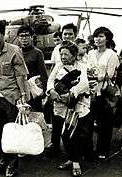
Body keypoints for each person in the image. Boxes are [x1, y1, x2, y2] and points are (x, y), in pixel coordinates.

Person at [0, 19, 29, 177]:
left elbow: (21, 76)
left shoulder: (14, 50)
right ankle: (3, 159)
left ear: (3, 34)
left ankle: (12, 164)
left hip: (13, 97)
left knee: (13, 132)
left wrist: (23, 97)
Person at [47, 41, 92, 177]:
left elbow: (84, 83)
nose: (63, 56)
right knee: (65, 135)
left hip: (77, 105)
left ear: (74, 54)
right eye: (61, 54)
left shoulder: (83, 66)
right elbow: (50, 81)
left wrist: (71, 94)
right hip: (61, 105)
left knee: (73, 134)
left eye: (66, 54)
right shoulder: (58, 66)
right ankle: (72, 159)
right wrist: (51, 91)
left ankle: (76, 162)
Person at [87, 27, 119, 159]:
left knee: (104, 122)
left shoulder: (111, 54)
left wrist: (95, 77)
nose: (97, 39)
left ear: (107, 38)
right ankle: (89, 150)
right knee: (89, 121)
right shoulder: (90, 53)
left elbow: (110, 75)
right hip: (90, 91)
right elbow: (86, 69)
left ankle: (103, 150)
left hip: (104, 91)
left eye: (100, 36)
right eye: (96, 36)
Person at [47, 23, 78, 155]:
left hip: (73, 98)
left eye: (70, 34)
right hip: (58, 98)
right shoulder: (59, 59)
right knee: (57, 121)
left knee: (72, 126)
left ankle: (73, 153)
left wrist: (71, 94)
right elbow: (51, 78)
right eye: (65, 34)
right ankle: (55, 145)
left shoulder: (81, 57)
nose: (67, 36)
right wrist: (50, 91)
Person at [17, 25, 48, 112]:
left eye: (27, 35)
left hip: (34, 89)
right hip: (20, 88)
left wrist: (45, 91)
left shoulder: (37, 53)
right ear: (18, 38)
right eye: (21, 36)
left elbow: (43, 73)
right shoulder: (16, 52)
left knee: (35, 114)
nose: (24, 38)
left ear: (31, 37)